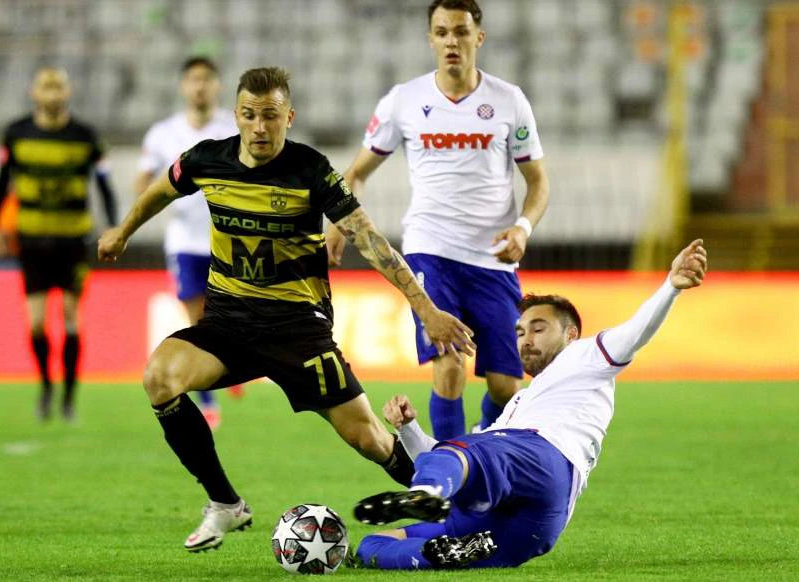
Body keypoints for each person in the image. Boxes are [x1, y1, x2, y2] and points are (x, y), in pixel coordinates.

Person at [98, 67, 476, 553]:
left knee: (370, 440)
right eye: (249, 115)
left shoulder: (310, 170)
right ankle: (224, 503)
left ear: (288, 118)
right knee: (159, 378)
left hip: (298, 328)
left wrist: (425, 308)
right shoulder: (206, 159)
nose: (259, 127)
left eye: (270, 116)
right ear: (236, 115)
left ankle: (455, 508)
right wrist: (124, 230)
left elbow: (369, 239)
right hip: (228, 323)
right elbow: (161, 190)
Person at [350, 240, 709, 570]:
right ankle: (439, 549)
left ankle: (427, 494)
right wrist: (408, 428)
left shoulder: (585, 356)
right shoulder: (519, 403)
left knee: (464, 454)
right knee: (373, 545)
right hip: (534, 522)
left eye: (538, 329)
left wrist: (671, 286)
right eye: (520, 332)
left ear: (570, 334)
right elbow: (443, 457)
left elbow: (634, 333)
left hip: (543, 457)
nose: (526, 340)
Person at [326, 0, 551, 438]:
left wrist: (523, 229)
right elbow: (356, 173)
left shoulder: (509, 101)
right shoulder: (404, 100)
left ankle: (480, 444)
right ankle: (449, 467)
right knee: (449, 368)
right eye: (442, 32)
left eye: (461, 31)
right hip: (431, 251)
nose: (452, 41)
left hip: (493, 260)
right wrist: (336, 223)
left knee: (506, 387)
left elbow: (538, 181)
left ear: (478, 38)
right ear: (430, 39)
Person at [0, 67, 118, 422]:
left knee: (72, 318)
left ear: (68, 92)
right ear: (34, 93)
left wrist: (113, 226)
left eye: (58, 87)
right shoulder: (16, 133)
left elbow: (104, 185)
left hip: (73, 239)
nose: (53, 94)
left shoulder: (85, 136)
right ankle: (46, 386)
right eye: (47, 88)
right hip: (31, 238)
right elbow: (2, 181)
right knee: (36, 323)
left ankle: (69, 398)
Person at [133, 56, 241, 430]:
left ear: (217, 85)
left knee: (229, 313)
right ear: (183, 86)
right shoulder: (162, 134)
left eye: (207, 79)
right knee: (196, 317)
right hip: (184, 240)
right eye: (194, 79)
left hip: (229, 238)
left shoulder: (233, 128)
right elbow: (142, 181)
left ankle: (231, 364)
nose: (200, 86)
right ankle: (209, 398)